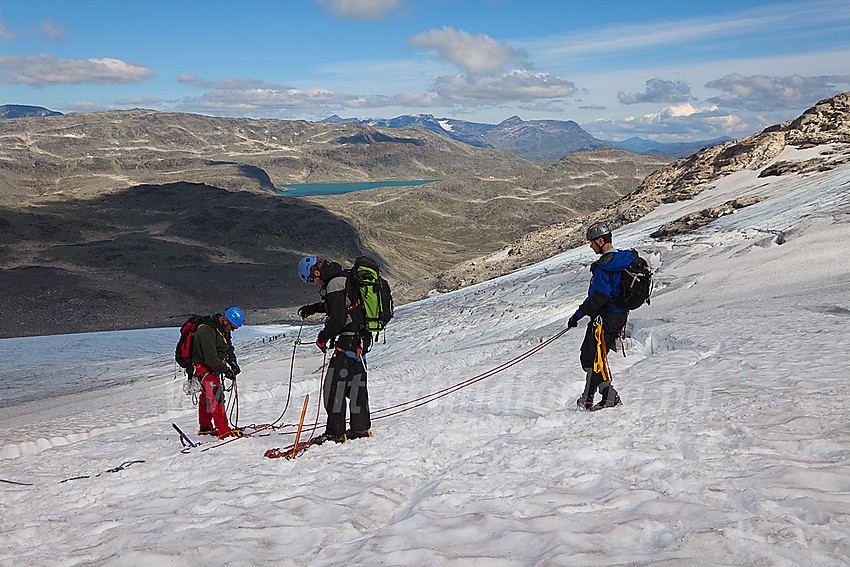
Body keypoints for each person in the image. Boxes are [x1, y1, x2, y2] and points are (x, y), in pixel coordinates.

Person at [297, 256, 372, 444]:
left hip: (347, 342)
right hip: (360, 341)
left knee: (334, 387)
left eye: (311, 280)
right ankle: (360, 428)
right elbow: (339, 305)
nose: (314, 284)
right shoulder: (343, 278)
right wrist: (313, 308)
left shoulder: (334, 284)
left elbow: (338, 319)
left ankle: (334, 433)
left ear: (316, 272)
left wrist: (322, 339)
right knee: (356, 385)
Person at [567, 222, 632, 410]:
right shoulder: (623, 258)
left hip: (604, 318)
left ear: (600, 240)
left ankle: (609, 395)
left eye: (591, 243)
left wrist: (577, 315)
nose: (591, 247)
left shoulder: (603, 266)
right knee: (595, 358)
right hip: (619, 317)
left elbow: (599, 296)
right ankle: (587, 398)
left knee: (590, 359)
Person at [193, 307, 245, 438]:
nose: (232, 330)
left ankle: (205, 428)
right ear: (225, 319)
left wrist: (232, 361)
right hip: (204, 368)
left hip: (214, 369)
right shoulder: (206, 331)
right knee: (216, 395)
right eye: (232, 327)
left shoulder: (222, 330)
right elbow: (210, 359)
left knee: (207, 396)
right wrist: (225, 370)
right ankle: (224, 430)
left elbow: (228, 348)